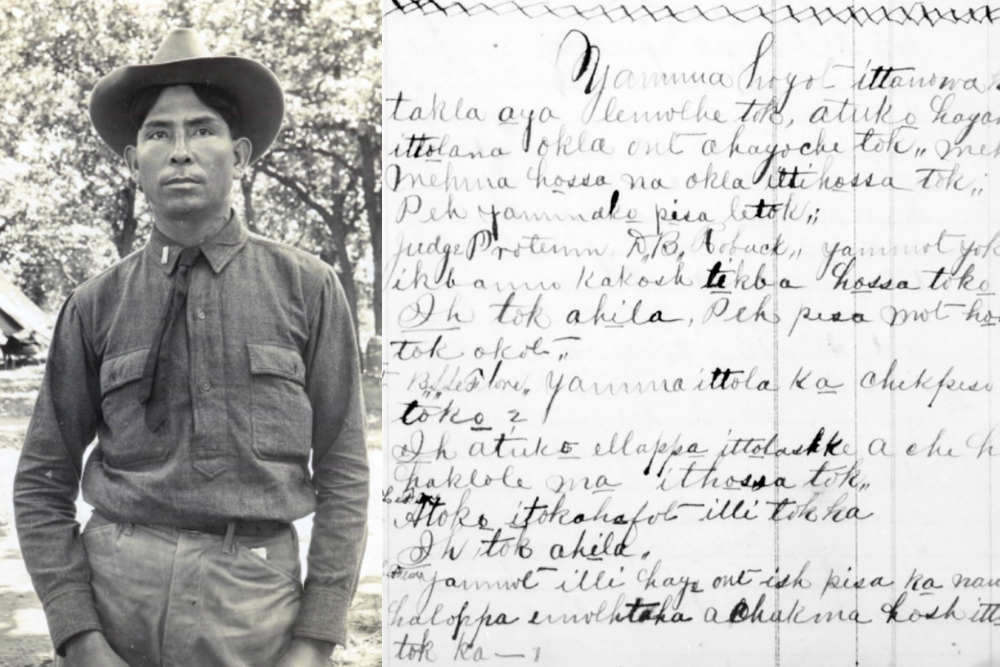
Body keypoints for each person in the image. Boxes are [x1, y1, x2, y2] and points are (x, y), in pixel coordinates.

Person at [13, 28, 369, 667]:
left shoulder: (308, 287)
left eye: (201, 130)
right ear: (132, 164)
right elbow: (42, 479)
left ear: (240, 155)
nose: (180, 152)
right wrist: (80, 636)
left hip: (254, 607)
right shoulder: (95, 304)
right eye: (158, 134)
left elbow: (344, 471)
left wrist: (315, 640)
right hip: (115, 595)